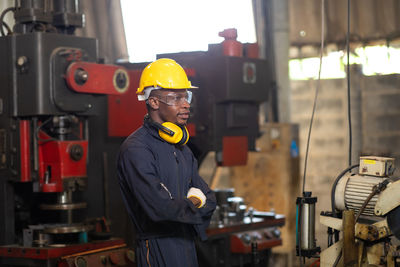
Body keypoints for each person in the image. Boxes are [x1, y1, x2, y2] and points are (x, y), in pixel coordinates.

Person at [117, 58, 216, 267]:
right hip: (157, 250)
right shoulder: (137, 149)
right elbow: (160, 209)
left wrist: (189, 204)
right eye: (177, 97)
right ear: (153, 102)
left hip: (187, 246)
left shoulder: (183, 149)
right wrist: (195, 202)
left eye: (186, 96)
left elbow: (211, 199)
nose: (186, 103)